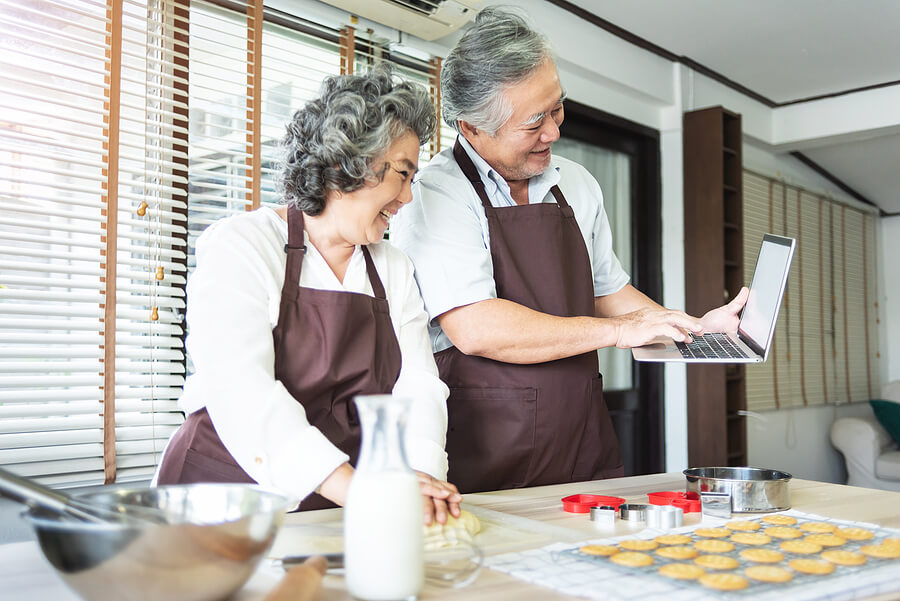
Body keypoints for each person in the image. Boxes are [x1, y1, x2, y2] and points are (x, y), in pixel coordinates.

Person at [390, 8, 748, 493]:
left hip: (581, 436)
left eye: (557, 109)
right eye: (534, 122)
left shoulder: (575, 183)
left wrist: (695, 330)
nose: (555, 133)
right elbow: (475, 327)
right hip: (489, 445)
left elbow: (610, 292)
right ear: (473, 128)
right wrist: (619, 333)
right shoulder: (436, 193)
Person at [156, 65, 461, 524]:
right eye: (402, 174)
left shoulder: (392, 267)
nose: (408, 198)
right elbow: (242, 389)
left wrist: (417, 478)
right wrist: (359, 490)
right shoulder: (242, 245)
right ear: (346, 163)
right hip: (219, 497)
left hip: (334, 500)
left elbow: (418, 386)